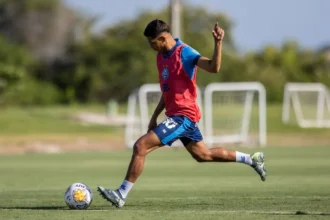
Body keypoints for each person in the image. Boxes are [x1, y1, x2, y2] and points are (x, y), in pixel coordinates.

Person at [97, 19, 267, 208]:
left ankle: (121, 194)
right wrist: (154, 117)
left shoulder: (184, 52)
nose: (151, 46)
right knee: (204, 155)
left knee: (140, 146)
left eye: (152, 43)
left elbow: (213, 67)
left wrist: (218, 43)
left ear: (162, 38)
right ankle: (251, 159)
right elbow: (167, 91)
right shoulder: (160, 57)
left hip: (184, 117)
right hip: (177, 117)